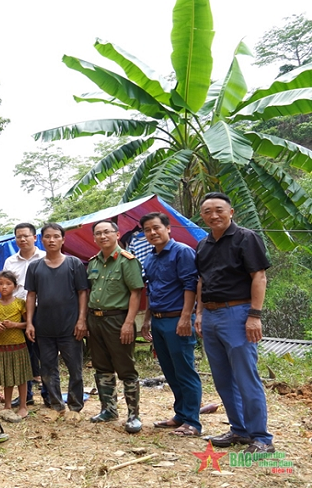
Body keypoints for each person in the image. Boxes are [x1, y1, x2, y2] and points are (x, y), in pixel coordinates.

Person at [195, 192, 274, 453]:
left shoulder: (246, 238)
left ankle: (261, 438)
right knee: (222, 378)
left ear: (231, 212)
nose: (213, 215)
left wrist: (255, 315)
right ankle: (239, 430)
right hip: (211, 315)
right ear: (203, 216)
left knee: (245, 376)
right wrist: (199, 313)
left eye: (219, 210)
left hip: (238, 314)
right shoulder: (203, 245)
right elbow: (201, 281)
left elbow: (259, 276)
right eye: (208, 211)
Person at [138, 212, 203, 437]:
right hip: (157, 321)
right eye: (148, 230)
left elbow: (191, 286)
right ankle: (180, 415)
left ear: (168, 228)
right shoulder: (150, 258)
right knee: (170, 370)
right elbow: (151, 291)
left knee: (185, 370)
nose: (153, 233)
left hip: (178, 320)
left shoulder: (182, 252)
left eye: (156, 227)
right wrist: (146, 320)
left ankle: (193, 422)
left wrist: (187, 317)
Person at [86, 220, 144, 433]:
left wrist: (129, 323)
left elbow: (136, 293)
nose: (103, 236)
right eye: (98, 233)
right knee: (101, 366)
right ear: (94, 238)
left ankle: (133, 415)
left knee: (126, 368)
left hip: (117, 320)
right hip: (96, 319)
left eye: (107, 232)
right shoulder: (93, 262)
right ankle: (108, 410)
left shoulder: (127, 260)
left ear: (117, 234)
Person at [24, 223, 89, 413]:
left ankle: (76, 406)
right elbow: (31, 295)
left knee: (75, 368)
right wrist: (29, 323)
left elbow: (82, 293)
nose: (51, 240)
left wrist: (81, 320)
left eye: (55, 236)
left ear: (63, 239)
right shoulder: (35, 266)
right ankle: (56, 404)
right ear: (41, 240)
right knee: (48, 368)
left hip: (70, 327)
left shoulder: (74, 263)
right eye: (47, 237)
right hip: (44, 327)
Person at [2, 223, 47, 407]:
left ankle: (48, 393)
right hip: (18, 313)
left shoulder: (45, 258)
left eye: (26, 236)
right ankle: (25, 395)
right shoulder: (10, 261)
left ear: (34, 238)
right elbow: (6, 288)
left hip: (43, 310)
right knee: (24, 354)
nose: (22, 239)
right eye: (19, 236)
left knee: (45, 352)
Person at [0, 270, 31, 418]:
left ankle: (23, 406)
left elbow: (28, 324)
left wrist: (14, 325)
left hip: (19, 345)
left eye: (8, 283)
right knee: (7, 378)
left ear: (15, 286)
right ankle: (7, 405)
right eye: (0, 284)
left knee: (21, 377)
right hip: (2, 347)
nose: (4, 287)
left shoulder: (20, 303)